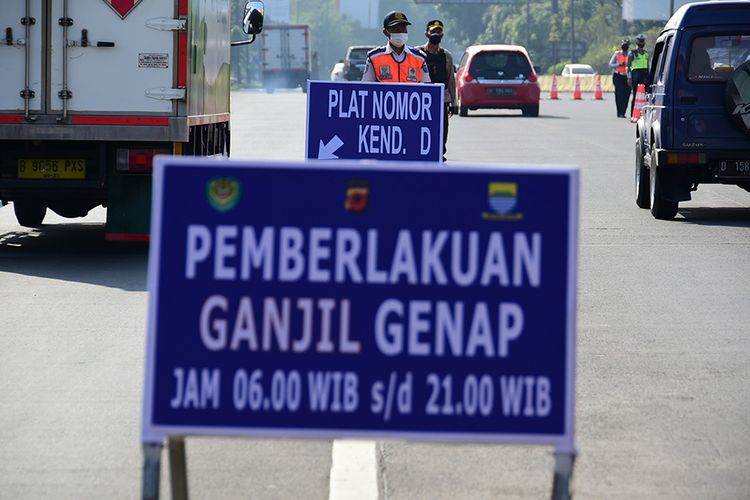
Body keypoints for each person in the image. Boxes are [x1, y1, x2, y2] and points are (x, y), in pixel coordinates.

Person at [418, 20, 456, 161]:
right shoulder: (418, 53)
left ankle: (440, 152)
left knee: (442, 128)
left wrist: (454, 102)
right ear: (426, 33)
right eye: (433, 31)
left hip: (441, 99)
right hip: (421, 98)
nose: (435, 34)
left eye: (438, 32)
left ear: (442, 34)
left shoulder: (446, 56)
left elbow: (451, 80)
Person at [361, 11, 431, 83]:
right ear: (385, 32)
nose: (400, 32)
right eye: (396, 29)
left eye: (403, 28)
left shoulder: (419, 58)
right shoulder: (374, 57)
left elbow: (427, 87)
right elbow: (366, 86)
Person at [628, 34, 650, 118]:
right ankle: (633, 113)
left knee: (645, 95)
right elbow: (629, 67)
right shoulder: (632, 53)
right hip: (635, 74)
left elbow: (648, 66)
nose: (641, 42)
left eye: (643, 41)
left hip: (644, 74)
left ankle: (643, 114)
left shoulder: (646, 54)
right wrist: (629, 77)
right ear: (637, 42)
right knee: (635, 95)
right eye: (640, 41)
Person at [609, 39, 631, 118]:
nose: (624, 46)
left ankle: (623, 112)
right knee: (619, 94)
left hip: (627, 77)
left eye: (626, 44)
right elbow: (611, 64)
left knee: (626, 95)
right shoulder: (617, 54)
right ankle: (619, 111)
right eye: (623, 44)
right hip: (618, 76)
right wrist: (618, 64)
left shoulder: (630, 55)